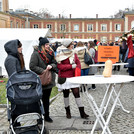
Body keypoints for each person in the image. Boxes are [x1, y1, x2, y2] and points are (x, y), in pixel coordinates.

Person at [4, 39, 40, 125]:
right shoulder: (11, 60)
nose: (21, 48)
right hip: (16, 88)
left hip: (21, 87)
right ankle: (15, 125)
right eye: (19, 46)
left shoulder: (16, 58)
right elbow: (14, 76)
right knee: (17, 107)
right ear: (14, 48)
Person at [56, 39, 89, 119]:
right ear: (67, 45)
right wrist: (71, 66)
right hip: (64, 77)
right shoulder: (60, 54)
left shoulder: (73, 53)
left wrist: (77, 68)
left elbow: (78, 63)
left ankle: (82, 112)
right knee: (66, 94)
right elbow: (59, 66)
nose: (73, 45)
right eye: (71, 44)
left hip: (73, 77)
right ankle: (68, 112)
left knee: (77, 93)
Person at [29, 37, 57, 123]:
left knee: (46, 99)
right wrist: (43, 71)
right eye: (46, 44)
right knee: (39, 100)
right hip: (40, 80)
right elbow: (32, 66)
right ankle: (39, 117)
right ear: (42, 45)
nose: (48, 46)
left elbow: (55, 63)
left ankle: (47, 116)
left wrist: (51, 66)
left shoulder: (51, 53)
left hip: (49, 80)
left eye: (48, 44)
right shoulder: (36, 54)